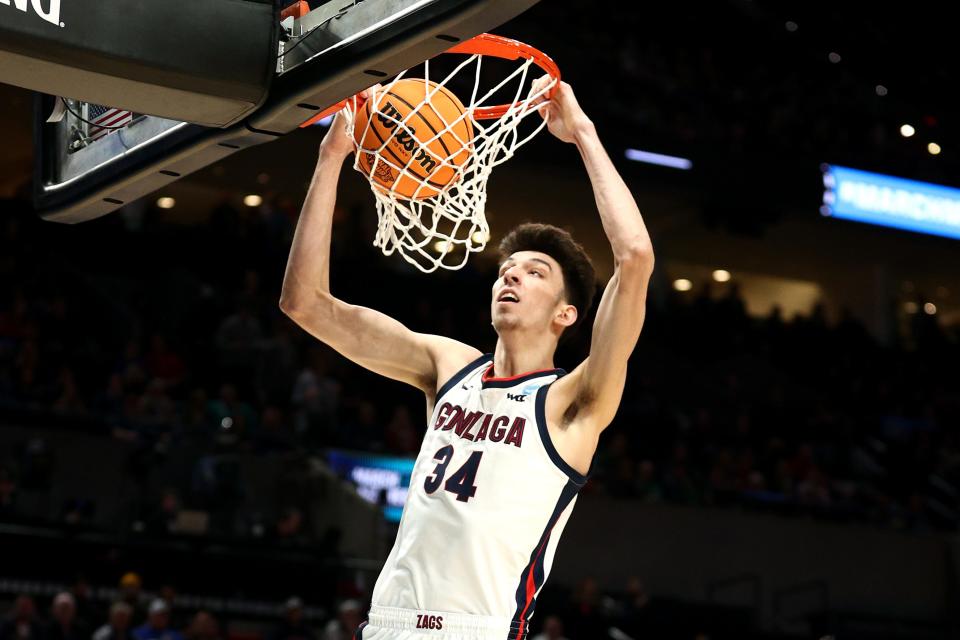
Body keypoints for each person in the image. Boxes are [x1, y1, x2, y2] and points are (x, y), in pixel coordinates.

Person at [280, 76, 654, 639]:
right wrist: (332, 156)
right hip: (386, 625)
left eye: (536, 273)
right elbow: (304, 303)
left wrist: (581, 132)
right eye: (509, 269)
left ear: (566, 314)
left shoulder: (573, 402)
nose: (513, 275)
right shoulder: (448, 366)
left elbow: (635, 256)